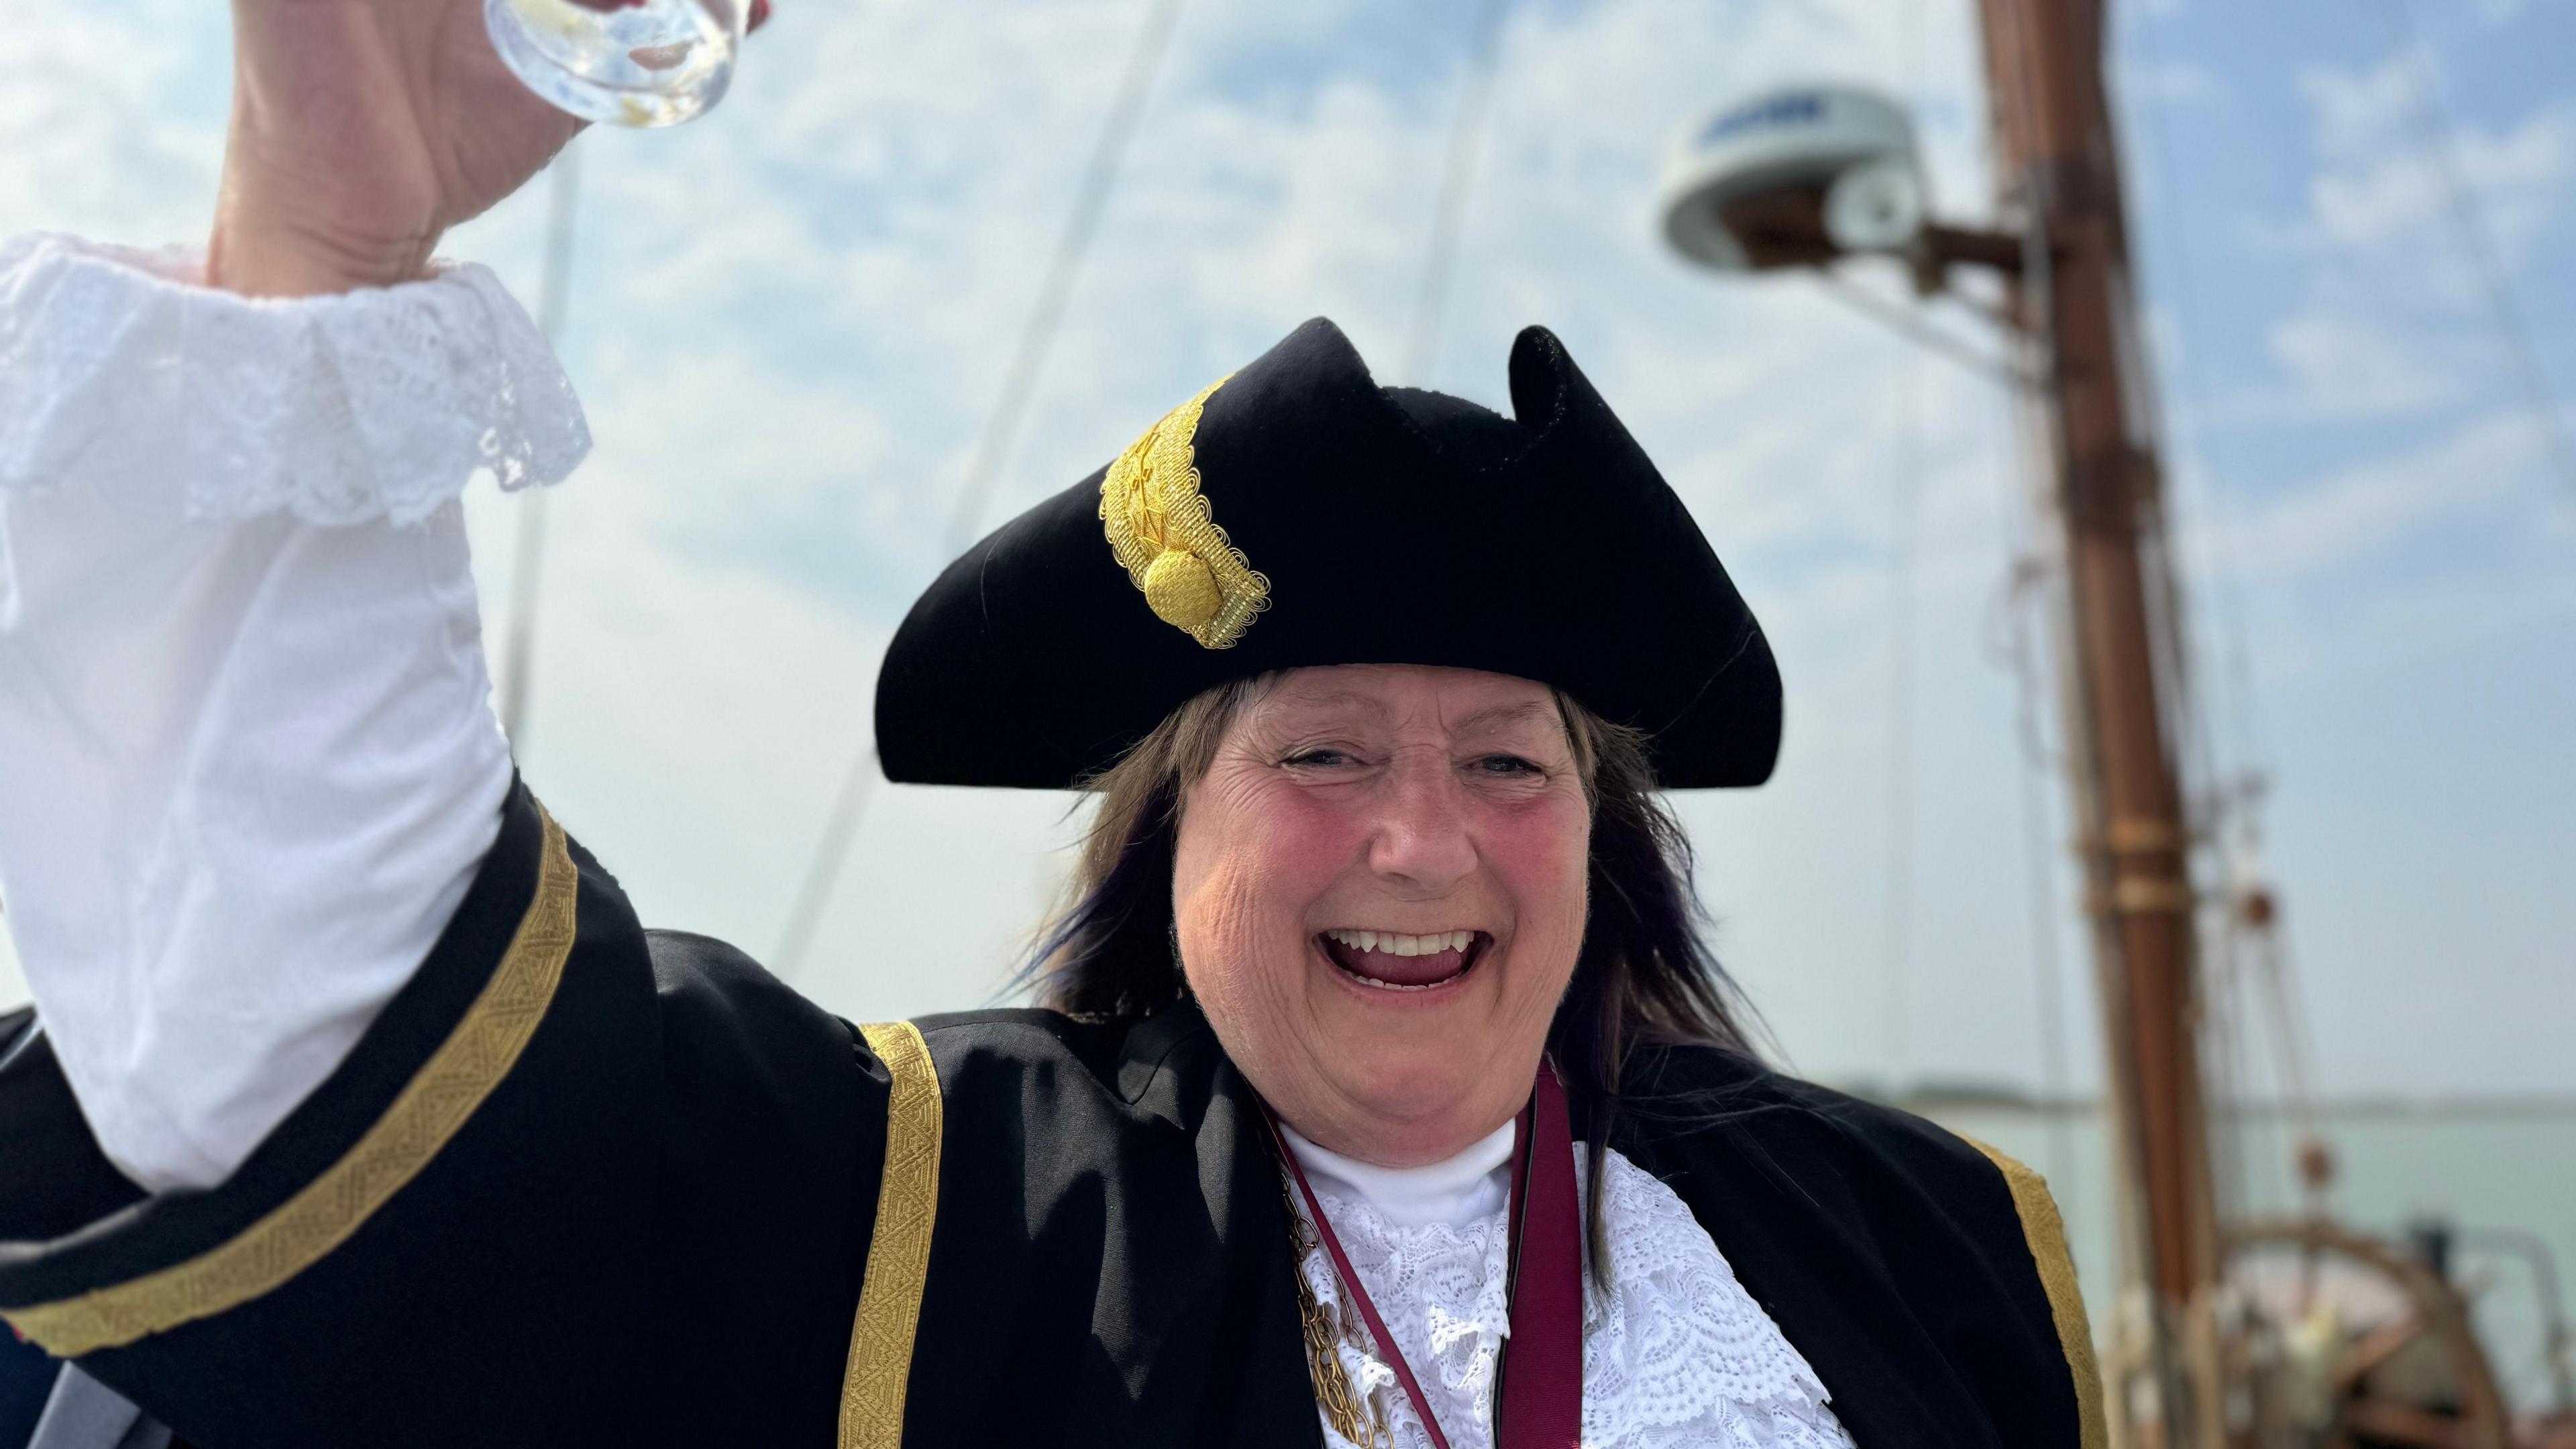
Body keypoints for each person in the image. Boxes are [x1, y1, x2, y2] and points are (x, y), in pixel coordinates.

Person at [0, 2, 2105, 1446]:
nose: (1422, 838)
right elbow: (350, 1078)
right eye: (1322, 750)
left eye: (1507, 760)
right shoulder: (939, 1203)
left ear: (1606, 839)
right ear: (1162, 835)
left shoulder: (1927, 1241)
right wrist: (326, 255)